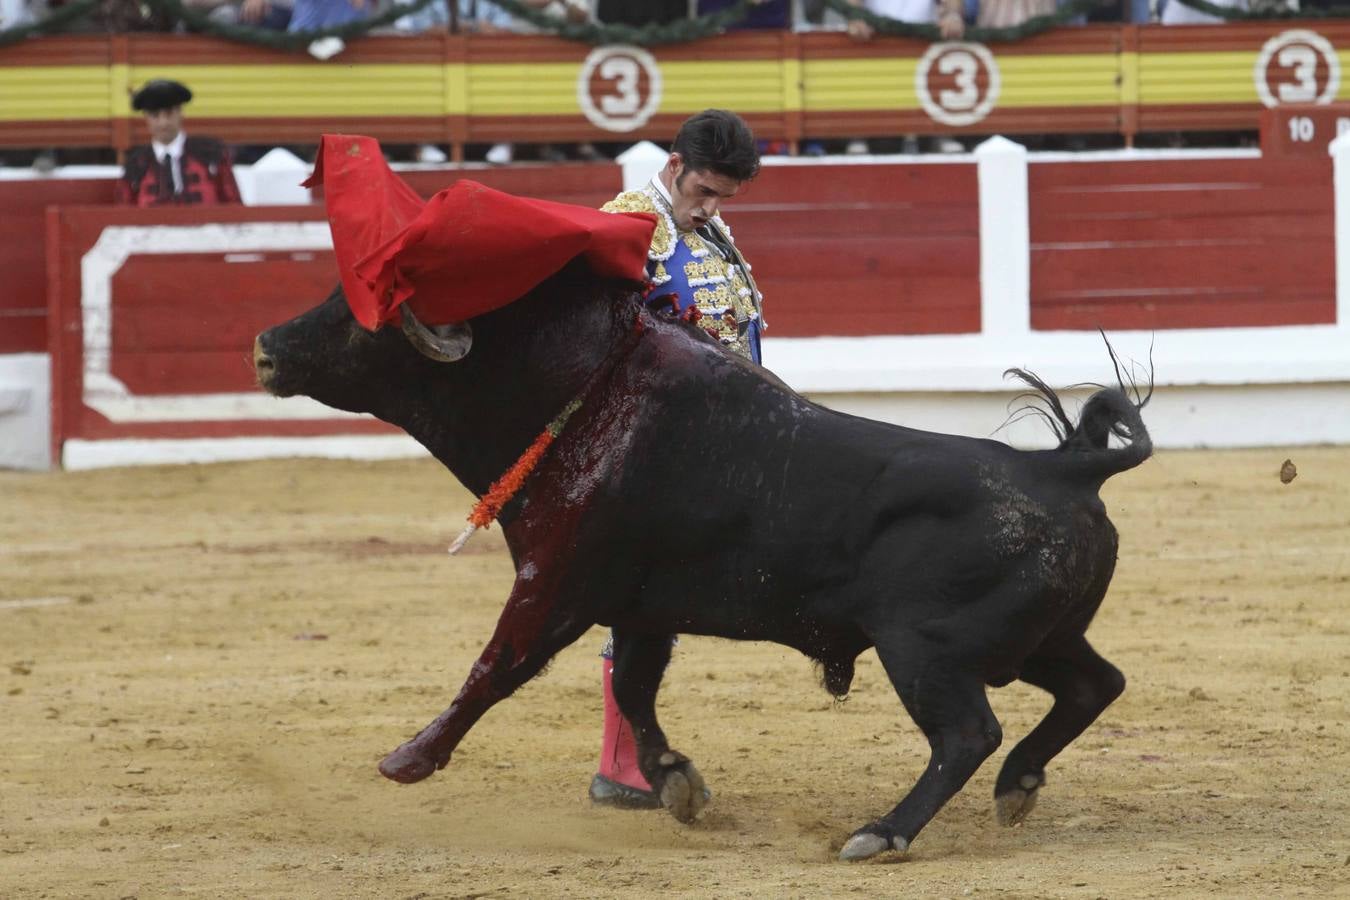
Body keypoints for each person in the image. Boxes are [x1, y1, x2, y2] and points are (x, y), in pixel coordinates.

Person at [590, 109, 763, 808]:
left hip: (714, 442)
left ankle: (628, 759)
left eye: (723, 196)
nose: (711, 206)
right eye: (703, 191)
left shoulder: (705, 228)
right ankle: (621, 763)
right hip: (651, 447)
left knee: (654, 602)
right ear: (673, 163)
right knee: (641, 604)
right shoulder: (631, 224)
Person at [116, 79, 242, 207]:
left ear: (181, 113)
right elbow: (124, 213)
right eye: (155, 115)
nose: (163, 123)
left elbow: (234, 205)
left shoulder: (210, 153)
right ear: (146, 118)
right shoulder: (136, 163)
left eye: (169, 114)